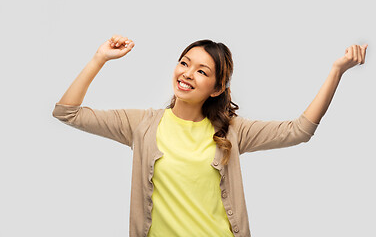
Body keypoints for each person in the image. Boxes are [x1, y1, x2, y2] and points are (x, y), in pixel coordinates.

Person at [52, 35, 368, 237]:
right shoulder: (141, 125)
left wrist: (336, 71)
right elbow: (68, 113)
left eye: (202, 71)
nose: (188, 73)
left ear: (217, 88)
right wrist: (99, 58)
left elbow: (299, 130)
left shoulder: (232, 130)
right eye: (184, 63)